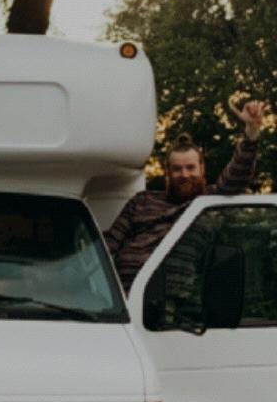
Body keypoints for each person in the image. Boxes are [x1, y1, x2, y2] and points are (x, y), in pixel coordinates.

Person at [104, 100, 266, 291]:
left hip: (170, 300)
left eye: (190, 168)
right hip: (121, 296)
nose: (184, 175)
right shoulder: (142, 200)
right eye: (177, 169)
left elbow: (237, 176)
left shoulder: (209, 203)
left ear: (202, 169)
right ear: (168, 173)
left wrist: (251, 132)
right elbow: (109, 244)